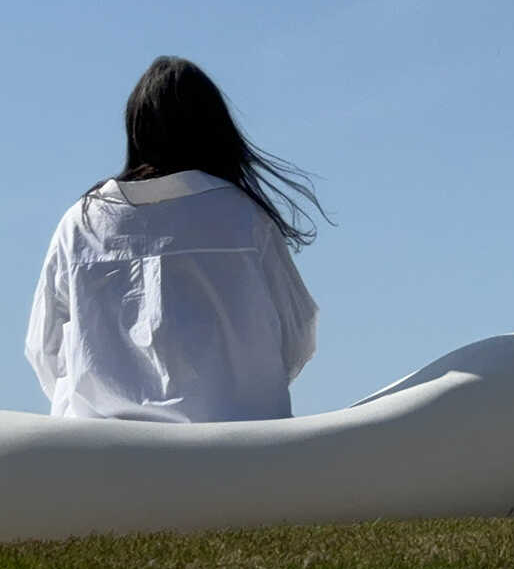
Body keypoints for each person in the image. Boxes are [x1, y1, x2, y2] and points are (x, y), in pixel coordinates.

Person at [25, 56, 324, 422]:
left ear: (136, 130)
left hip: (103, 455)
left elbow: (45, 349)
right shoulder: (245, 218)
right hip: (235, 452)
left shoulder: (82, 224)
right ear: (215, 132)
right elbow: (297, 334)